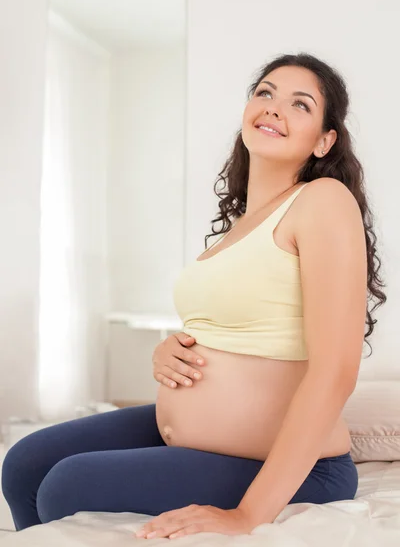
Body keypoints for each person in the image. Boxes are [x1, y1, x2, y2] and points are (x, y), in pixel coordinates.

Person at [1, 53, 386, 540]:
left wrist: (248, 515)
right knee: (23, 464)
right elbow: (238, 328)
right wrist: (172, 350)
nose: (273, 108)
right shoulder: (240, 225)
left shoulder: (323, 201)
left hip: (300, 467)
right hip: (206, 440)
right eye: (264, 93)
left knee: (64, 486)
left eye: (300, 104)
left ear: (324, 140)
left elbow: (336, 372)